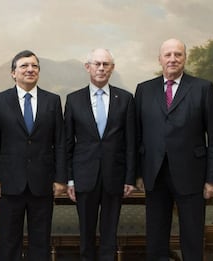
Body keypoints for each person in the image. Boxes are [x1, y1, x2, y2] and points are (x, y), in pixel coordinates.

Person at [135, 38, 213, 261]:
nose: (173, 59)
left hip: (192, 175)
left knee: (192, 237)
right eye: (168, 55)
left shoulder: (203, 88)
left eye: (178, 54)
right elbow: (136, 135)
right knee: (155, 237)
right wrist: (137, 173)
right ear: (160, 59)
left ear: (185, 58)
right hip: (154, 175)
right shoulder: (144, 90)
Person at [0, 50, 67, 260]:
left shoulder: (52, 101)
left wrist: (60, 178)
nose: (30, 70)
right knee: (9, 240)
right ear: (13, 73)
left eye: (34, 66)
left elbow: (59, 143)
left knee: (40, 240)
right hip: (9, 182)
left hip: (42, 183)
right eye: (24, 66)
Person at [64, 49, 136, 261]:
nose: (101, 68)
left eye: (106, 64)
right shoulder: (73, 99)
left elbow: (131, 142)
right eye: (97, 64)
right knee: (85, 232)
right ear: (88, 67)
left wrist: (130, 177)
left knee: (109, 232)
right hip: (84, 176)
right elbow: (67, 143)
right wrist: (69, 179)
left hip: (115, 175)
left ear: (112, 68)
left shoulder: (125, 99)